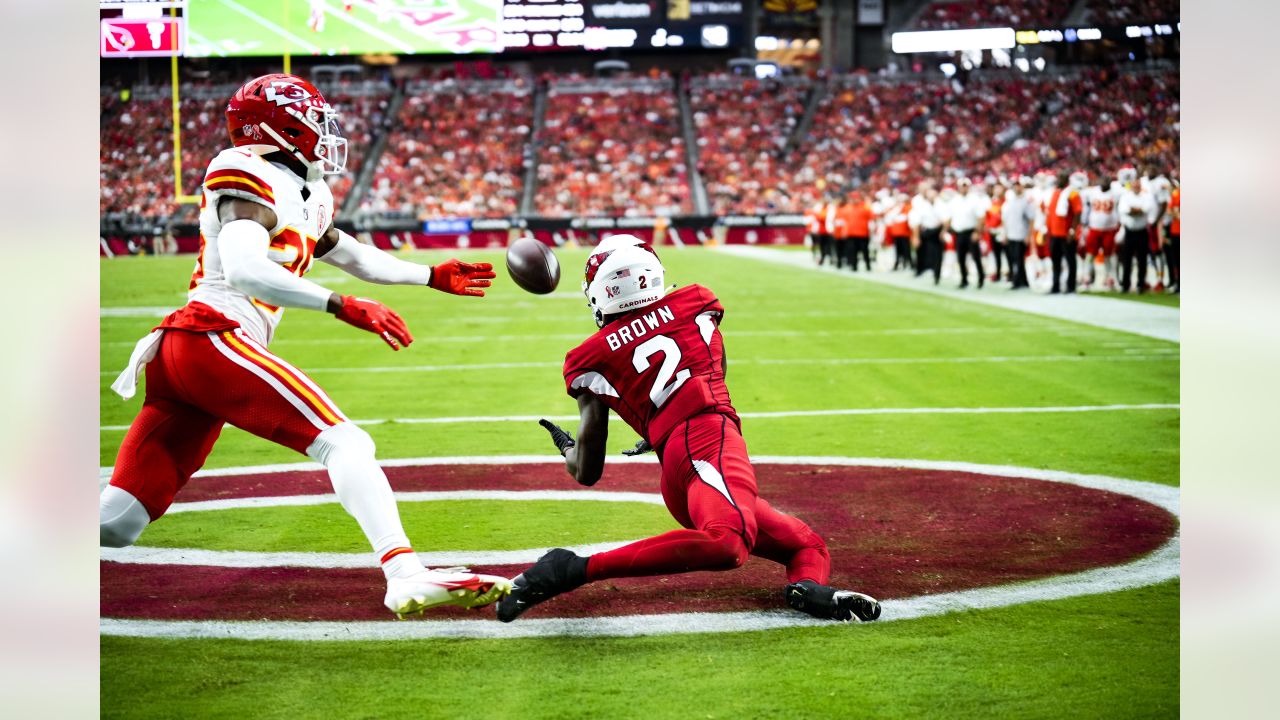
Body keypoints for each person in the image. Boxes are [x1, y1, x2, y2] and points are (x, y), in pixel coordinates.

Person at [100, 74, 511, 617]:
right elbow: (246, 269)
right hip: (211, 334)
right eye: (315, 119)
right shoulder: (244, 169)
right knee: (346, 443)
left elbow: (354, 255)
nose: (324, 130)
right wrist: (341, 305)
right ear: (278, 126)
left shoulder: (309, 190)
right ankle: (404, 572)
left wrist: (429, 274)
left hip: (197, 354)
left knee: (117, 522)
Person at [495, 237, 881, 624]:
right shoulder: (697, 302)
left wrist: (569, 450)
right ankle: (571, 568)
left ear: (599, 293)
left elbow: (588, 470)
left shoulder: (589, 358)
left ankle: (808, 590)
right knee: (728, 544)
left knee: (806, 546)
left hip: (677, 472)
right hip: (711, 442)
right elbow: (714, 369)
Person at [1080, 169, 1121, 291]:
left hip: (1110, 229)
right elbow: (1085, 207)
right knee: (1090, 255)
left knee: (1110, 255)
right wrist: (1084, 225)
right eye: (1102, 180)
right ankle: (1086, 279)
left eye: (1107, 180)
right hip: (1094, 228)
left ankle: (1110, 279)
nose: (1104, 183)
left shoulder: (1117, 192)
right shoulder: (1092, 192)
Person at [947, 178, 990, 289]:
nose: (964, 188)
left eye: (966, 186)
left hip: (971, 231)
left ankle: (981, 279)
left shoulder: (975, 200)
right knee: (960, 258)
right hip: (959, 232)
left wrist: (977, 232)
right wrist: (946, 229)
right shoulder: (955, 200)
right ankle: (964, 279)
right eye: (962, 186)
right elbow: (950, 217)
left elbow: (981, 217)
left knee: (976, 257)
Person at [1046, 171, 1084, 294]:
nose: (1059, 180)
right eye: (1058, 177)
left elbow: (1078, 212)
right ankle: (1055, 285)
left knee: (1070, 260)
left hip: (1066, 233)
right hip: (1054, 233)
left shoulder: (1072, 193)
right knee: (1055, 260)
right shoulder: (1055, 193)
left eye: (1061, 177)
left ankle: (1071, 286)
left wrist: (1073, 230)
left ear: (1067, 179)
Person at [1117, 171, 1155, 293]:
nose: (1136, 186)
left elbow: (1145, 210)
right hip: (1129, 230)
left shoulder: (1146, 196)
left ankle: (1140, 284)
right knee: (1127, 259)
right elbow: (1125, 210)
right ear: (1131, 185)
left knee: (1142, 259)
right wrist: (1137, 210)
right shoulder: (1126, 196)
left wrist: (1134, 210)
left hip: (1141, 230)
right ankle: (1125, 284)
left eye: (1138, 185)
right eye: (1135, 184)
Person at [1001, 178, 1035, 290]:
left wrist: (1028, 236)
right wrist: (1005, 234)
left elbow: (1031, 220)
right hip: (1011, 234)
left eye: (1019, 185)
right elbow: (1005, 220)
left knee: (1018, 259)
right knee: (1015, 259)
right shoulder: (1010, 201)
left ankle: (1017, 281)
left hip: (1021, 235)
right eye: (1015, 185)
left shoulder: (1027, 201)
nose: (1017, 187)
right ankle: (1023, 281)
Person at [909, 183, 945, 285]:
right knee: (921, 250)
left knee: (937, 252)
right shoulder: (917, 201)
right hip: (923, 229)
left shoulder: (938, 201)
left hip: (936, 229)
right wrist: (916, 235)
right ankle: (920, 270)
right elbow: (916, 218)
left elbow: (944, 216)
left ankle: (935, 272)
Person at [885, 191, 913, 271]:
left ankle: (910, 264)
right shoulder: (896, 208)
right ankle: (898, 264)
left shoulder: (908, 207)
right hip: (896, 232)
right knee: (898, 250)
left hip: (905, 232)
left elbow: (905, 218)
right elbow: (889, 216)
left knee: (906, 250)